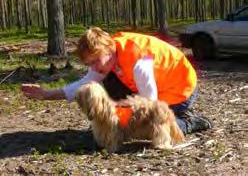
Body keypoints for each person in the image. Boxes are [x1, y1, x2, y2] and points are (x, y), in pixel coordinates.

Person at [21, 27, 212, 134]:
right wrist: (45, 95)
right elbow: (83, 84)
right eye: (90, 63)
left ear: (108, 49)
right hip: (153, 87)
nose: (94, 67)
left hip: (181, 90)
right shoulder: (109, 55)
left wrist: (126, 123)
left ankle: (189, 122)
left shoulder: (138, 62)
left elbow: (153, 108)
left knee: (151, 127)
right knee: (107, 82)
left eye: (96, 61)